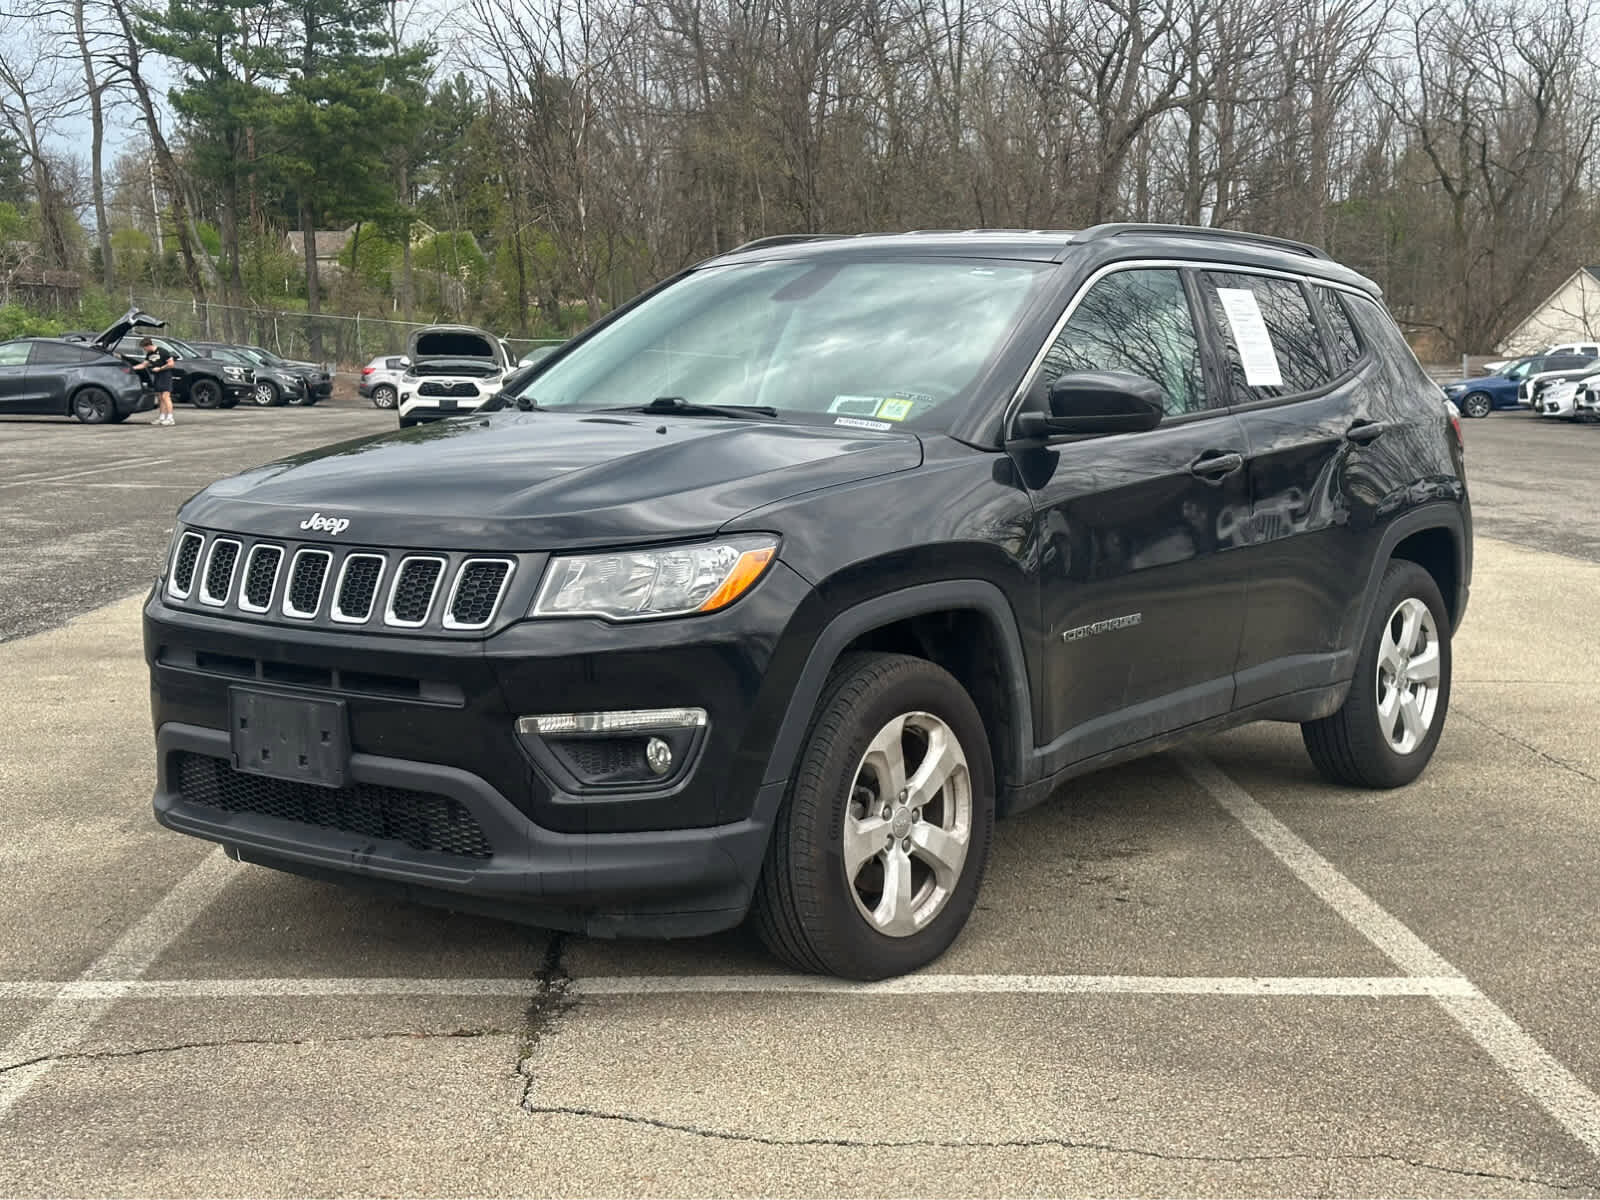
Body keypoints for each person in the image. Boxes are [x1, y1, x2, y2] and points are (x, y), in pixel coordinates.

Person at [141, 336, 177, 426]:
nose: (144, 350)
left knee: (166, 397)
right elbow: (143, 365)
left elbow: (171, 364)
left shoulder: (163, 351)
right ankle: (162, 417)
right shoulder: (149, 354)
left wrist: (160, 368)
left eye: (144, 348)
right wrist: (132, 367)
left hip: (165, 375)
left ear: (148, 345)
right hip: (157, 376)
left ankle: (170, 418)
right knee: (160, 398)